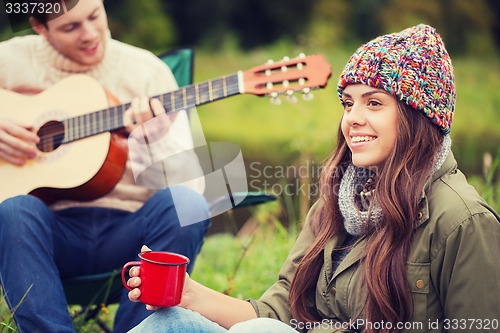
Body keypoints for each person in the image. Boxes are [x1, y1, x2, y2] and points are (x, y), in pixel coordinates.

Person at [126, 24, 500, 333]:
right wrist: (188, 294)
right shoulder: (341, 199)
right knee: (170, 322)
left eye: (373, 103)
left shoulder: (463, 221)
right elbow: (280, 311)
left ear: (419, 118)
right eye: (348, 103)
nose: (352, 118)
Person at [0, 0, 210, 332]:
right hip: (48, 236)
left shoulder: (147, 71)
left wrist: (154, 141)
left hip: (133, 235)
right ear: (40, 27)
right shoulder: (9, 61)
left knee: (187, 204)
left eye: (95, 16)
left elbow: (192, 185)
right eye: (70, 27)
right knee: (13, 211)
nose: (90, 34)